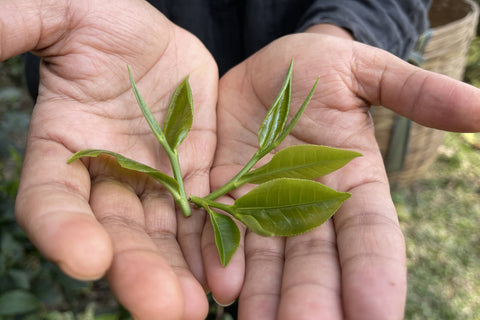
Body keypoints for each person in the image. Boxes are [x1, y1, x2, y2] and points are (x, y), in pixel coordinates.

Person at [4, 0, 480, 319]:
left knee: (259, 282)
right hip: (107, 98)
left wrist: (345, 28)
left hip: (287, 74)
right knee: (171, 279)